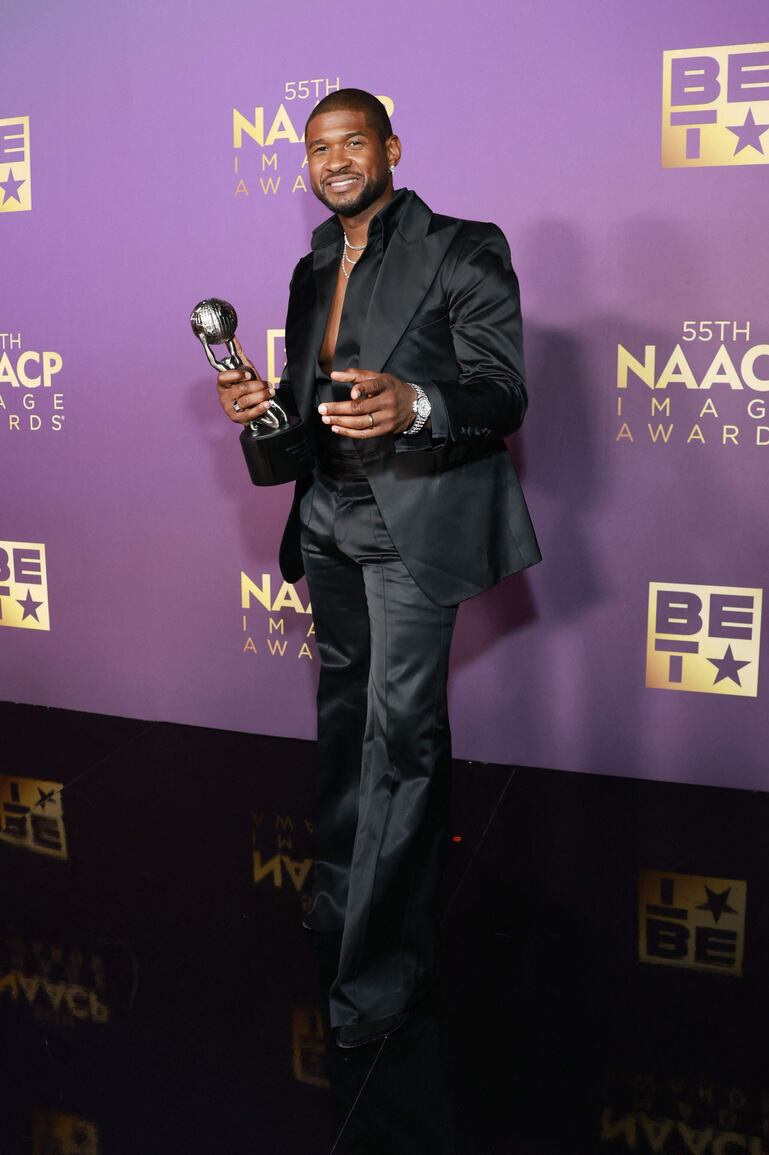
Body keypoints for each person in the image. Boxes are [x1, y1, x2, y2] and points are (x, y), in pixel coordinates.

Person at [216, 89, 540, 1049]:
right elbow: (306, 400)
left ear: (391, 148)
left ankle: (385, 970)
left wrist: (416, 405)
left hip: (414, 521)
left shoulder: (464, 245)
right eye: (318, 148)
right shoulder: (313, 261)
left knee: (401, 740)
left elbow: (504, 390)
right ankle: (337, 892)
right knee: (345, 714)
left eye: (353, 141)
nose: (334, 159)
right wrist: (260, 403)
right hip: (327, 513)